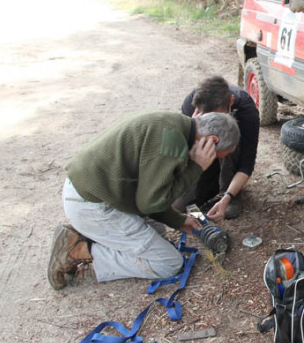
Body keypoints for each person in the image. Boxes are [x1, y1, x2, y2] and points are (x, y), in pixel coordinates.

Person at [47, 110, 240, 290]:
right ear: (212, 141)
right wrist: (196, 167)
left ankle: (89, 235)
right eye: (216, 156)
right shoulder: (172, 144)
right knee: (169, 263)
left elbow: (149, 195)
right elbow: (149, 203)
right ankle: (80, 250)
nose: (212, 161)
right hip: (91, 205)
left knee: (158, 230)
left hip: (91, 192)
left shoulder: (176, 126)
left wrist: (178, 221)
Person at [173, 76, 259, 221]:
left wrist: (227, 197)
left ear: (231, 101)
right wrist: (192, 127)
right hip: (203, 159)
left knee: (229, 135)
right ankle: (211, 183)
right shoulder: (193, 103)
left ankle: (229, 191)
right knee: (179, 205)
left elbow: (247, 163)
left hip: (231, 157)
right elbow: (182, 152)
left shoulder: (246, 110)